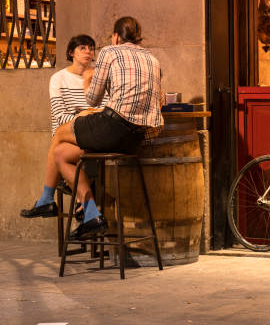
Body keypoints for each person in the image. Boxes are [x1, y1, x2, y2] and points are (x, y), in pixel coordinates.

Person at [52, 16, 164, 240]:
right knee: (61, 153)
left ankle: (49, 196)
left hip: (112, 129)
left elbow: (93, 100)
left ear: (115, 36)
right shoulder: (153, 60)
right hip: (136, 140)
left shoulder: (110, 52)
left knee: (59, 134)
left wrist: (87, 82)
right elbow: (161, 100)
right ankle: (90, 211)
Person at [20, 35, 102, 219]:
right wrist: (81, 116)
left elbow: (102, 111)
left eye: (91, 48)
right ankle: (88, 211)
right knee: (61, 145)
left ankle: (49, 200)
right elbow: (60, 116)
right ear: (71, 52)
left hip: (91, 134)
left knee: (60, 152)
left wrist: (87, 112)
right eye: (83, 48)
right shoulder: (59, 78)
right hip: (70, 134)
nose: (88, 52)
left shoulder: (97, 76)